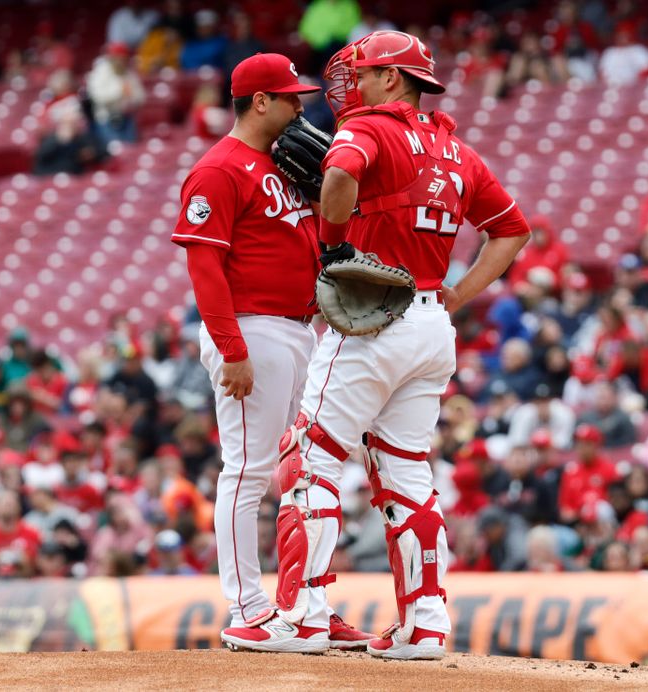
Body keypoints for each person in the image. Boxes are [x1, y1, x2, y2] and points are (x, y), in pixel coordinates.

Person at [221, 31, 529, 659]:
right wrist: (454, 296)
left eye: (361, 74)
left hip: (370, 320)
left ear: (392, 79)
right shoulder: (456, 149)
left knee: (310, 456)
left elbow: (338, 171)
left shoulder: (371, 127)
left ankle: (302, 615)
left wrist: (334, 242)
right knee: (407, 471)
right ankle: (424, 624)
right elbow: (511, 232)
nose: (351, 87)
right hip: (429, 323)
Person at [170, 52, 371, 649]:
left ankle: (302, 604)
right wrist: (232, 348)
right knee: (250, 470)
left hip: (298, 329)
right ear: (261, 101)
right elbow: (204, 266)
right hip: (252, 330)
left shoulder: (282, 164)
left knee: (302, 470)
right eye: (290, 98)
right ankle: (249, 605)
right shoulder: (218, 169)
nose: (300, 107)